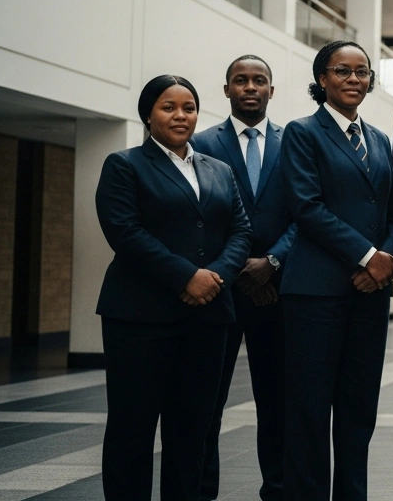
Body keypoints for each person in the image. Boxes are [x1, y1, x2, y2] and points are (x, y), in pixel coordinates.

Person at [95, 74, 252, 500]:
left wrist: (214, 277)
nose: (181, 115)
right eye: (169, 107)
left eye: (188, 107)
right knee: (133, 427)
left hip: (207, 316)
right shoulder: (125, 165)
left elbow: (240, 230)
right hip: (141, 317)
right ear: (148, 114)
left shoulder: (218, 169)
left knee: (193, 427)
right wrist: (187, 277)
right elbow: (126, 234)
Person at [280, 40, 393, 501]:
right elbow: (306, 207)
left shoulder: (380, 139)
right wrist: (366, 255)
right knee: (310, 411)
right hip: (316, 292)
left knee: (359, 411)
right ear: (322, 79)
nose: (354, 79)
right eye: (342, 71)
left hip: (370, 294)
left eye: (362, 72)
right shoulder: (301, 133)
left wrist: (384, 260)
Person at [191, 56, 294, 501]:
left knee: (278, 403)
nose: (250, 87)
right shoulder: (199, 142)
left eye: (259, 81)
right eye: (241, 80)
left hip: (279, 291)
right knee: (205, 402)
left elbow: (306, 211)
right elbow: (194, 218)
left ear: (272, 90)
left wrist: (271, 261)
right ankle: (200, 490)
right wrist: (236, 271)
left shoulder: (296, 141)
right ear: (227, 89)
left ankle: (278, 489)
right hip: (220, 291)